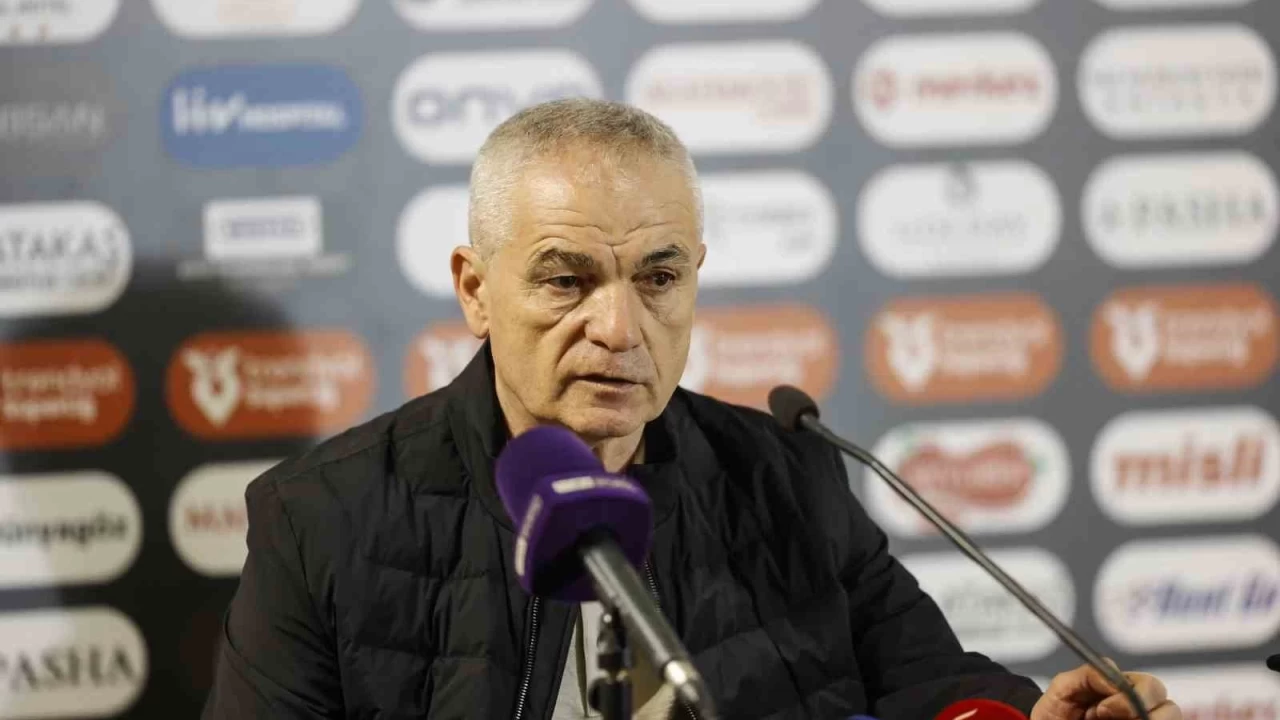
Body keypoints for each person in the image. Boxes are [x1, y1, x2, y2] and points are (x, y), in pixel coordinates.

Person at [202, 99, 1182, 720]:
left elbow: (929, 684)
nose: (618, 327)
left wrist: (1032, 718)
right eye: (566, 280)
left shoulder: (786, 475)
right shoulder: (324, 518)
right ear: (474, 289)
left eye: (659, 277)